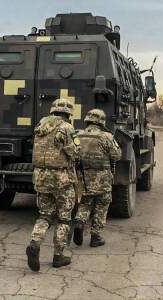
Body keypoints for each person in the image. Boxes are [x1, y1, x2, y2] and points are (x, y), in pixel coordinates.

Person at [26, 98, 80, 270]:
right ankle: (58, 256)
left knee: (44, 214)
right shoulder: (67, 128)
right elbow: (74, 151)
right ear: (68, 113)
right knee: (64, 218)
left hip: (40, 176)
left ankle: (35, 242)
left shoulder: (40, 126)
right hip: (61, 178)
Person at [72, 109, 121, 247]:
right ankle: (95, 237)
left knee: (85, 203)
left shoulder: (76, 134)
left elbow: (72, 153)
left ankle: (79, 222)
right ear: (102, 122)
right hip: (102, 179)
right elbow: (116, 155)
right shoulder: (106, 136)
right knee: (101, 205)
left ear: (87, 120)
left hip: (83, 178)